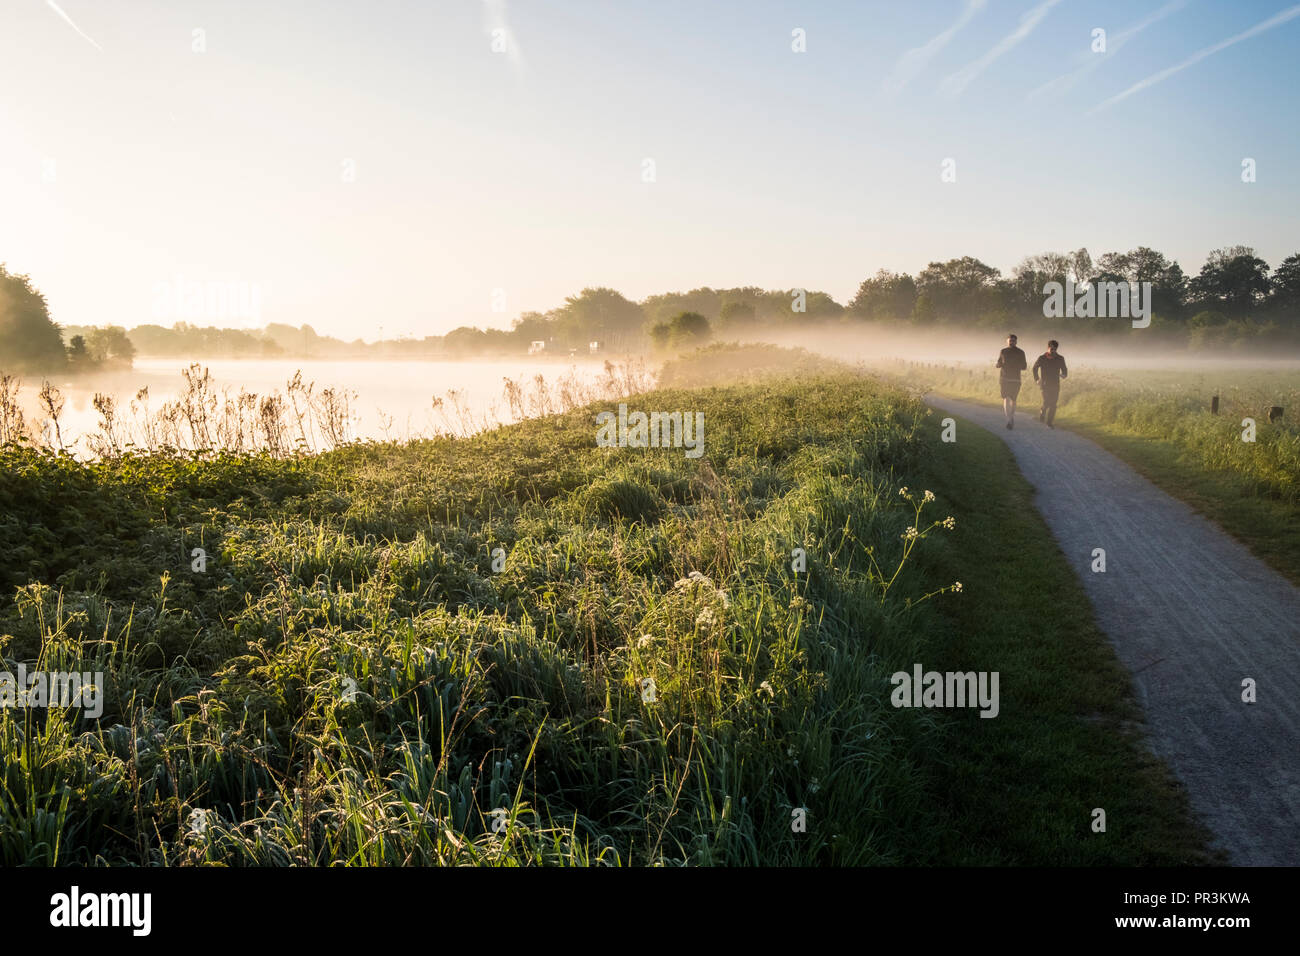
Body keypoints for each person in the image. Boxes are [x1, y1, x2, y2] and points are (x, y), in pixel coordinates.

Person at [1033, 339, 1068, 428]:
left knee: (1053, 404)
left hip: (1055, 384)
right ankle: (1043, 410)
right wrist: (1037, 379)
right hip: (1044, 383)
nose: (1053, 351)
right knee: (1047, 402)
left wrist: (1064, 375)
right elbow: (1034, 368)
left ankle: (1049, 422)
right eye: (1051, 349)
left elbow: (1064, 369)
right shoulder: (1042, 358)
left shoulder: (1060, 358)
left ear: (1057, 349)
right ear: (1048, 348)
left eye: (1055, 349)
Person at [995, 334, 1027, 429]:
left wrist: (1016, 364)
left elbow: (1024, 366)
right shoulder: (1003, 351)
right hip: (1004, 379)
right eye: (1010, 340)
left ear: (1016, 342)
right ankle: (1009, 420)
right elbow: (999, 363)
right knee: (1006, 398)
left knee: (1013, 399)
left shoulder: (1021, 352)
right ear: (1007, 341)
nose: (1011, 342)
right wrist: (998, 365)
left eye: (1013, 341)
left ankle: (1010, 417)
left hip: (1015, 379)